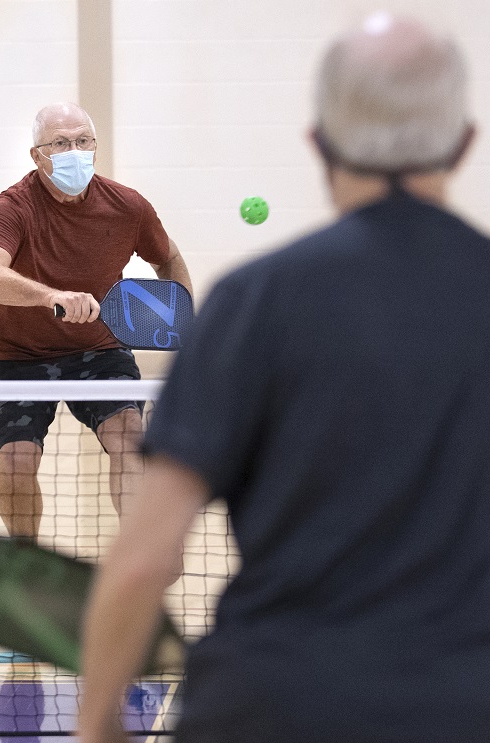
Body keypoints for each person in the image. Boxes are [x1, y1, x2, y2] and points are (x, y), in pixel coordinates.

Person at [77, 13, 488, 743]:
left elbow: (147, 558)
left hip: (268, 705)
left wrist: (99, 728)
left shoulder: (254, 300)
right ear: (464, 142)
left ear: (320, 142)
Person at [0, 102, 192, 539]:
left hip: (101, 350)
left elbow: (170, 258)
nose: (75, 151)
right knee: (17, 461)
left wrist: (183, 321)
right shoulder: (15, 206)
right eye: (60, 143)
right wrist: (51, 295)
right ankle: (25, 557)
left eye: (83, 141)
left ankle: (141, 550)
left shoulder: (127, 206)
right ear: (37, 155)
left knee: (129, 440)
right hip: (18, 355)